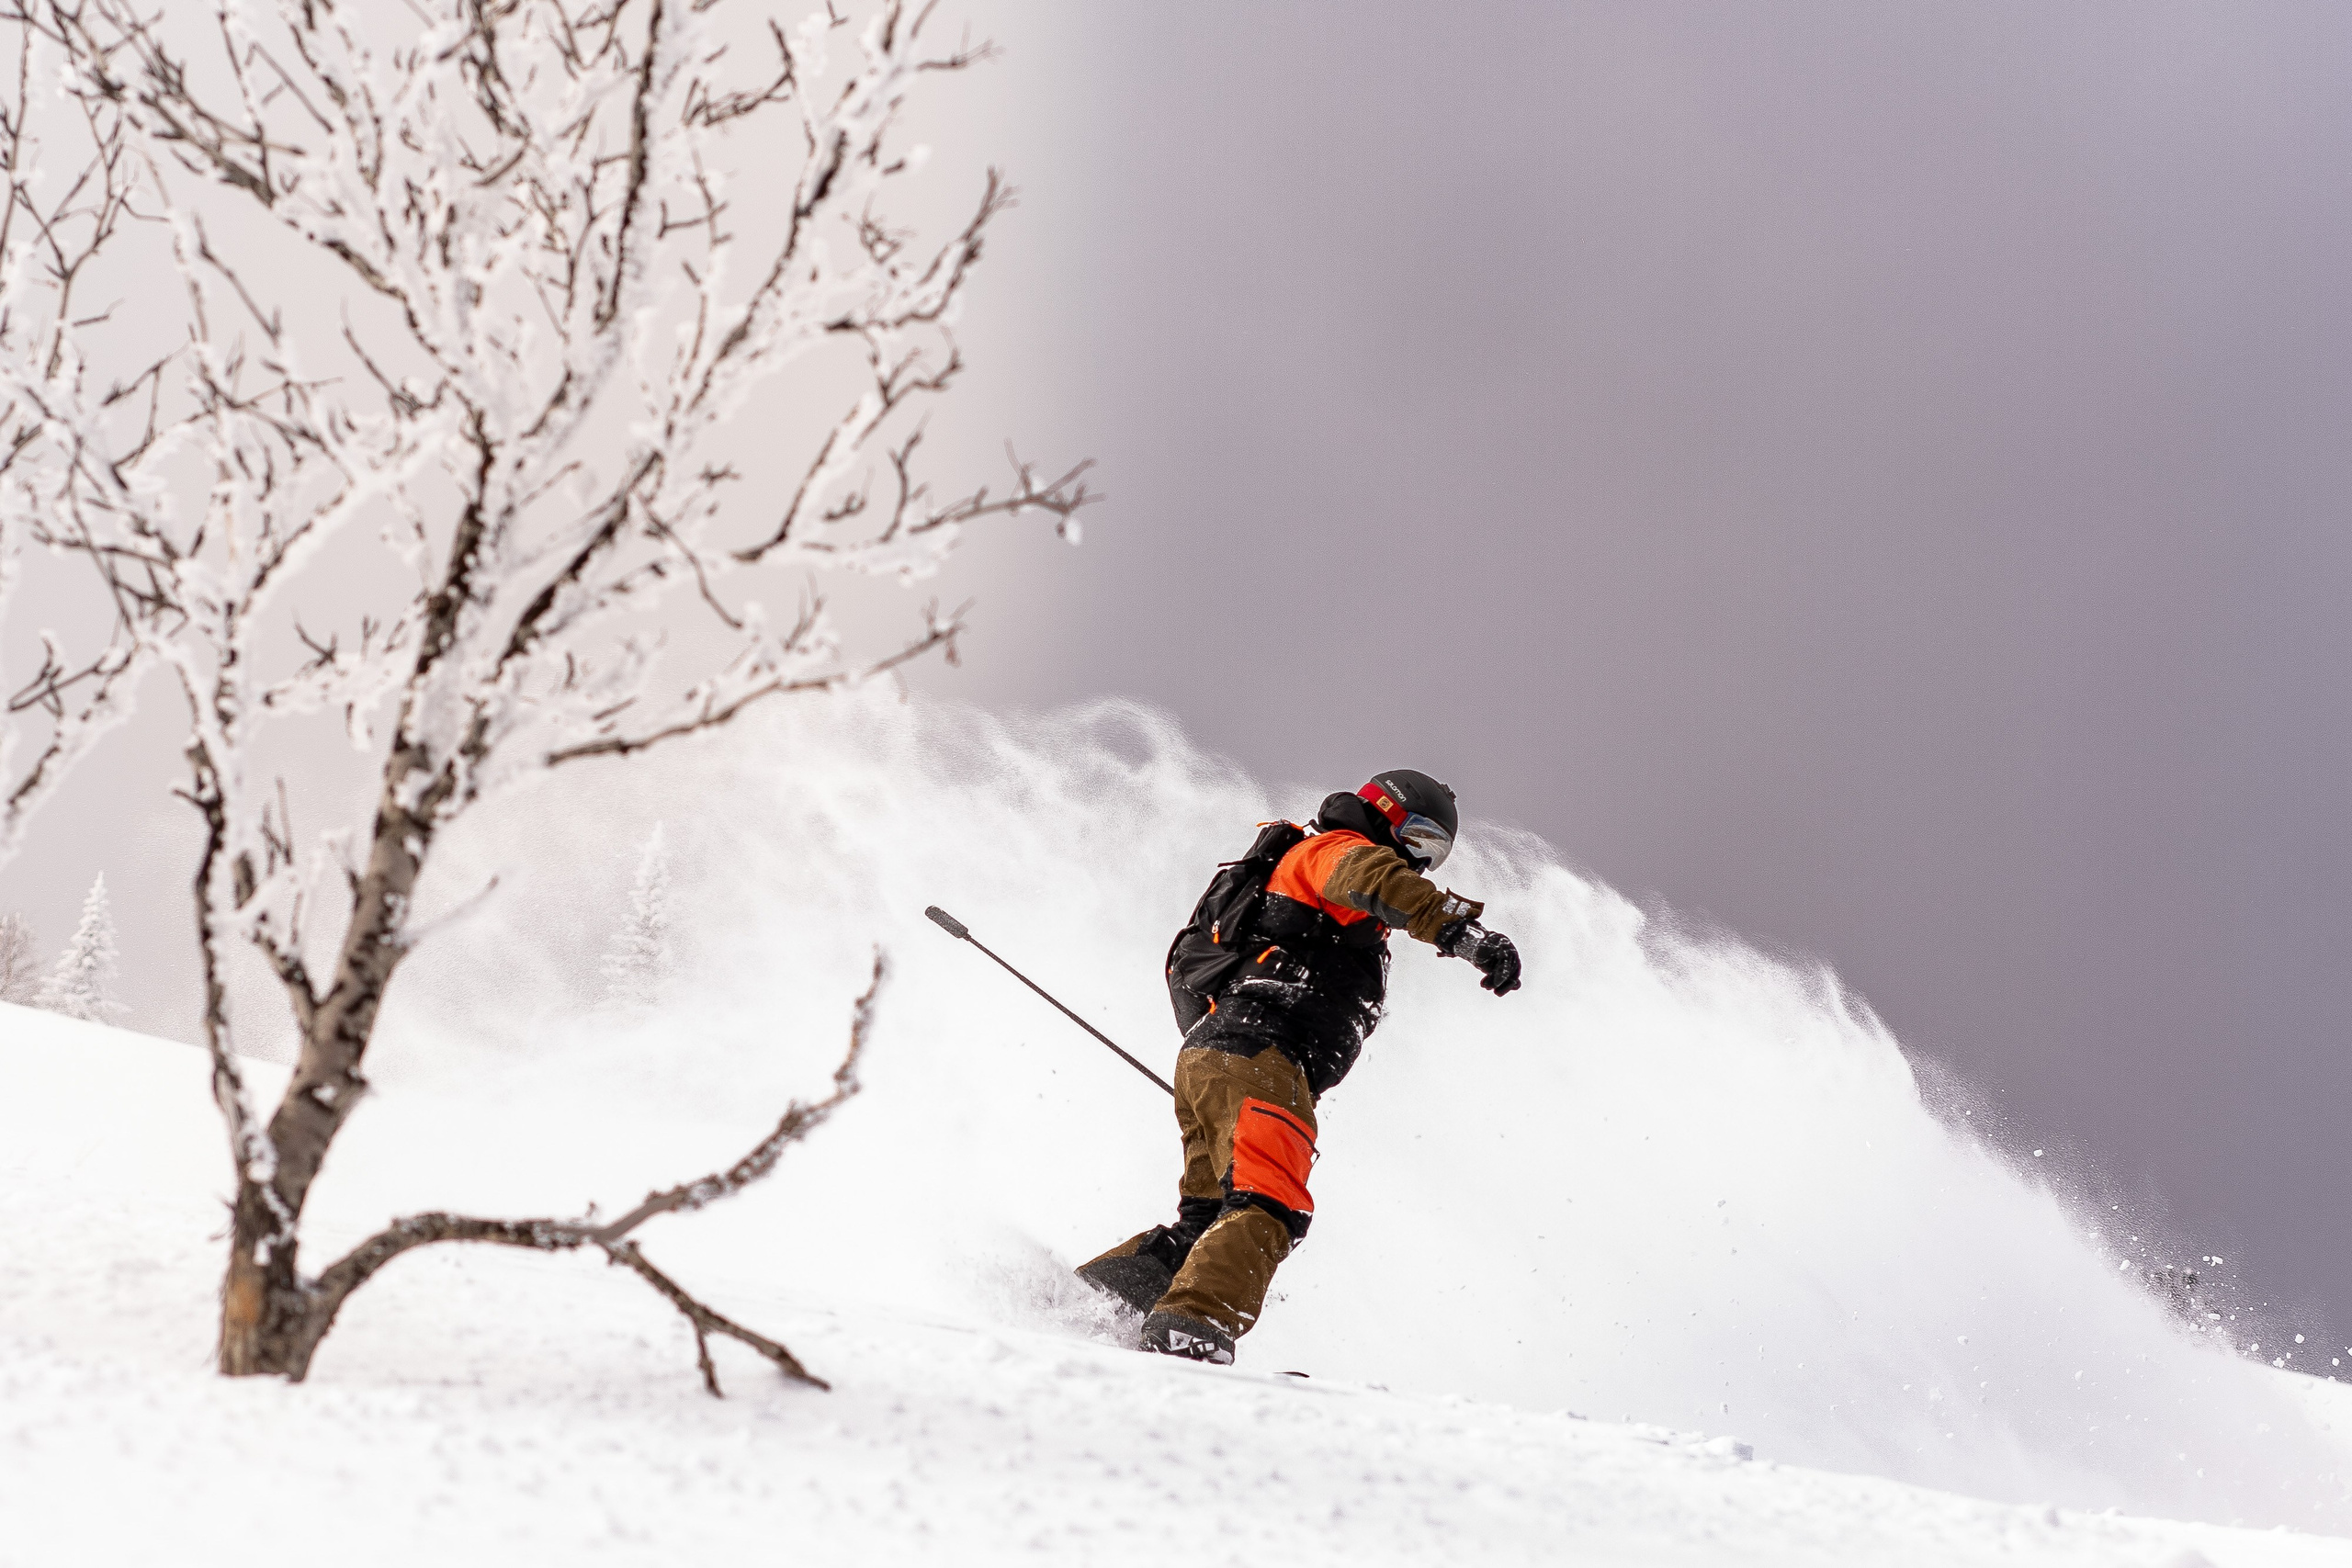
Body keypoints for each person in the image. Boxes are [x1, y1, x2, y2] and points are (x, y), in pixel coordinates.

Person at [1076, 770, 1522, 1363]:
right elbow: (1379, 881)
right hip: (1261, 1054)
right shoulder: (1336, 852)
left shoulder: (1318, 881)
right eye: (1419, 840)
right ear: (1387, 815)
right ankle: (1192, 1328)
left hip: (1224, 1056)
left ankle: (1086, 1309)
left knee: (1209, 1219)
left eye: (1434, 855)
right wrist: (1465, 935)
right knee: (1269, 1202)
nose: (1420, 861)